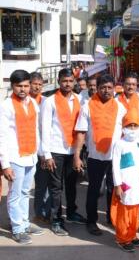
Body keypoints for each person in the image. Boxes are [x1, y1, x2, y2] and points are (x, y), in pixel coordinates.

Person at [73, 74, 127, 236]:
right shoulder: (88, 106)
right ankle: (91, 221)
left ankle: (112, 219)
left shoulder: (120, 107)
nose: (106, 90)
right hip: (95, 156)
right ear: (97, 88)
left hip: (115, 157)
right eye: (102, 87)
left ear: (114, 89)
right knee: (94, 190)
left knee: (114, 189)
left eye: (109, 87)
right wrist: (77, 156)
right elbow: (81, 132)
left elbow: (127, 132)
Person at [0, 69, 44, 244]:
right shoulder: (6, 106)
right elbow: (1, 136)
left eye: (26, 85)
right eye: (19, 86)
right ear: (12, 86)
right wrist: (5, 165)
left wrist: (40, 153)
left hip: (30, 155)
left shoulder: (33, 103)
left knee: (25, 192)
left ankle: (24, 223)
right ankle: (17, 228)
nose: (23, 89)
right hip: (14, 157)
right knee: (15, 194)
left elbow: (36, 130)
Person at [42, 68, 87, 236]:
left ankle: (72, 213)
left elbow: (82, 125)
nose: (67, 84)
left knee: (71, 185)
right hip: (55, 150)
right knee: (56, 187)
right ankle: (56, 220)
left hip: (73, 150)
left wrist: (79, 152)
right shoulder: (50, 101)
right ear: (59, 82)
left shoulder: (79, 99)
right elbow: (44, 129)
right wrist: (47, 155)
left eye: (70, 81)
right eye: (64, 81)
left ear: (74, 82)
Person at [110, 108, 139, 252]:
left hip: (138, 183)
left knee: (135, 212)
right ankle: (122, 238)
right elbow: (115, 165)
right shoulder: (119, 144)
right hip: (125, 184)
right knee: (124, 212)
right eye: (129, 126)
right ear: (124, 127)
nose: (132, 129)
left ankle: (132, 235)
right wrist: (117, 185)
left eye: (135, 126)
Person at [29, 72, 51, 225]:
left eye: (39, 84)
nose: (37, 87)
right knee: (29, 187)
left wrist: (44, 152)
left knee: (44, 184)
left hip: (43, 148)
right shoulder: (24, 101)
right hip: (27, 148)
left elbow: (45, 129)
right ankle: (37, 213)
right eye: (34, 84)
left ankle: (45, 213)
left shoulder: (46, 101)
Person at [118, 72, 139, 152]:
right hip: (122, 143)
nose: (131, 87)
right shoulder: (116, 101)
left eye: (133, 84)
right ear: (123, 85)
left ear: (136, 86)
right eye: (128, 84)